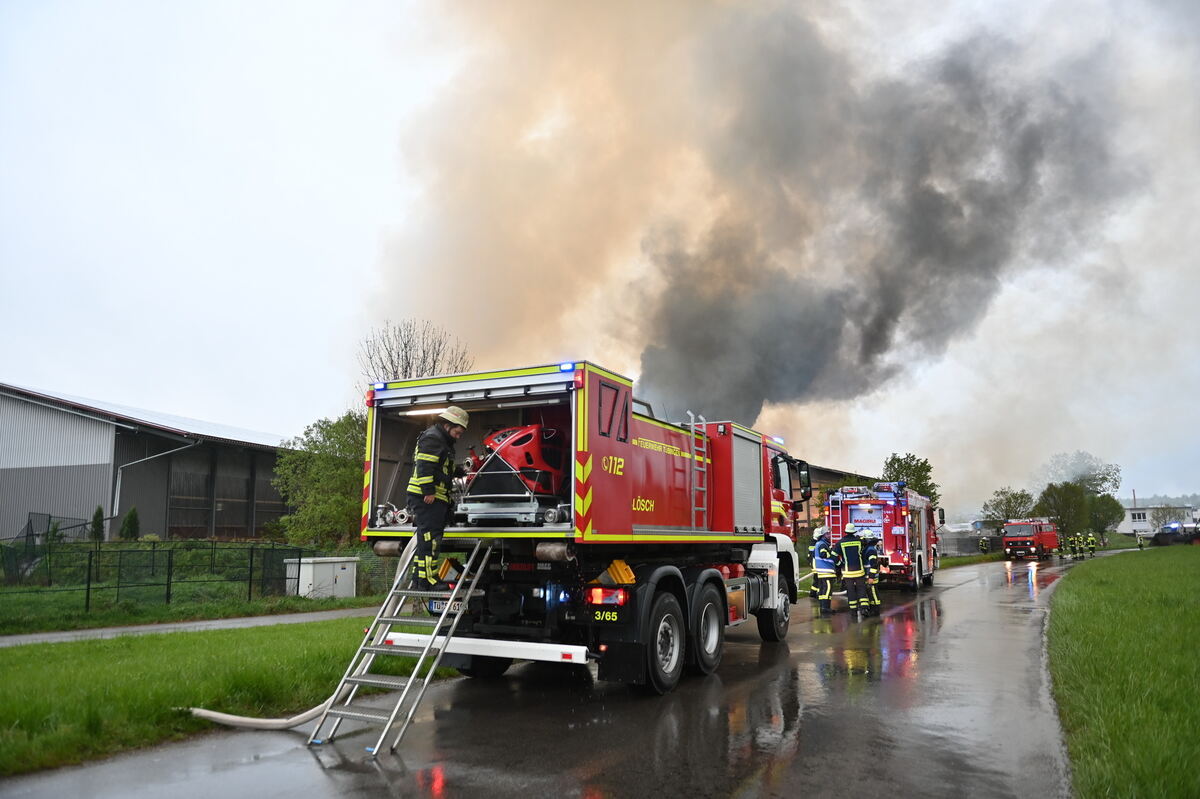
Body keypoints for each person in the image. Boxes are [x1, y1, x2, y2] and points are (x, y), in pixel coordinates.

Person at [406, 406, 469, 587]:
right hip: (426, 498)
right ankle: (429, 580)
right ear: (449, 425)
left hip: (431, 498)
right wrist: (428, 491)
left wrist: (459, 470)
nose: (458, 436)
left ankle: (418, 579)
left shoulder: (440, 439)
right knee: (430, 540)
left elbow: (440, 467)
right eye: (458, 432)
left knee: (426, 538)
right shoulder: (434, 438)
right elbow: (424, 466)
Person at [835, 523, 869, 620]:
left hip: (847, 572)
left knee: (851, 591)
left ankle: (853, 611)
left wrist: (840, 564)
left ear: (846, 531)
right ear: (853, 531)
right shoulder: (859, 541)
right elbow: (863, 550)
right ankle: (864, 609)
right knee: (861, 589)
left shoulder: (840, 543)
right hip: (859, 571)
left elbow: (834, 556)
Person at [812, 527, 838, 616]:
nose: (829, 535)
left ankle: (823, 607)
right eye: (828, 534)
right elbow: (823, 554)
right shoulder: (822, 544)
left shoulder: (820, 543)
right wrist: (832, 554)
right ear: (823, 535)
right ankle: (826, 608)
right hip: (826, 571)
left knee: (823, 590)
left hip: (823, 571)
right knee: (827, 590)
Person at [861, 529, 883, 616]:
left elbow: (873, 565)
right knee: (870, 592)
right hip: (869, 575)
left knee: (873, 592)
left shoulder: (870, 550)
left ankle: (875, 610)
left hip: (871, 576)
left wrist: (871, 577)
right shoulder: (868, 548)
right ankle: (873, 608)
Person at [807, 528, 825, 599]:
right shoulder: (816, 543)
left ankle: (813, 592)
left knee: (816, 579)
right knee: (819, 580)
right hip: (816, 565)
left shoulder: (813, 542)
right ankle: (818, 593)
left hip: (814, 564)